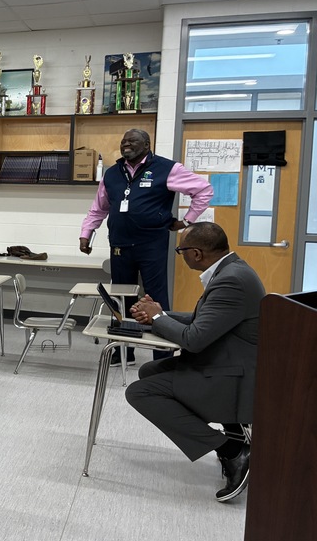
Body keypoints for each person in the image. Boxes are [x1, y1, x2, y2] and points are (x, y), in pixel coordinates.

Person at [125, 222, 264, 503]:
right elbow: (205, 319)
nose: (181, 255)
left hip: (233, 375)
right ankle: (234, 432)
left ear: (197, 253)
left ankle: (233, 452)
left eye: (181, 251)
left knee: (139, 391)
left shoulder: (231, 280)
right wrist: (160, 314)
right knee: (149, 370)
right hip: (228, 363)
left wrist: (158, 318)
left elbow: (194, 339)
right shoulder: (232, 270)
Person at [79, 128, 213, 365]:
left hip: (152, 244)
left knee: (156, 298)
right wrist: (86, 233)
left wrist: (187, 221)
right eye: (123, 141)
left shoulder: (167, 168)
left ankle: (163, 356)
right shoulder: (112, 173)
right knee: (121, 298)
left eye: (132, 141)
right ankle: (123, 353)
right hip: (120, 243)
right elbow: (99, 207)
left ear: (147, 145)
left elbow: (203, 189)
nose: (126, 144)